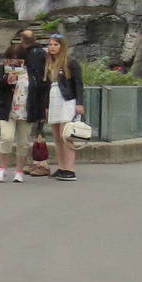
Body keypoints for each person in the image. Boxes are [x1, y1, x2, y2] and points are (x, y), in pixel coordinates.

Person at [43, 32, 85, 181]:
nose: (52, 47)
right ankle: (61, 167)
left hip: (67, 101)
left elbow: (78, 84)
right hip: (54, 101)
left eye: (56, 44)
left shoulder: (70, 62)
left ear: (62, 46)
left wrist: (79, 103)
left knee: (66, 136)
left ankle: (70, 169)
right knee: (57, 138)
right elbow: (47, 86)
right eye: (51, 44)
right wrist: (46, 106)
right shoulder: (49, 64)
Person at [0, 44, 36, 183]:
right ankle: (3, 169)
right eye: (11, 58)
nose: (15, 61)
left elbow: (39, 88)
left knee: (23, 142)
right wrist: (7, 80)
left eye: (18, 58)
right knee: (6, 137)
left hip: (25, 110)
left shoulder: (31, 70)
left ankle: (19, 171)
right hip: (7, 109)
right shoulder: (3, 69)